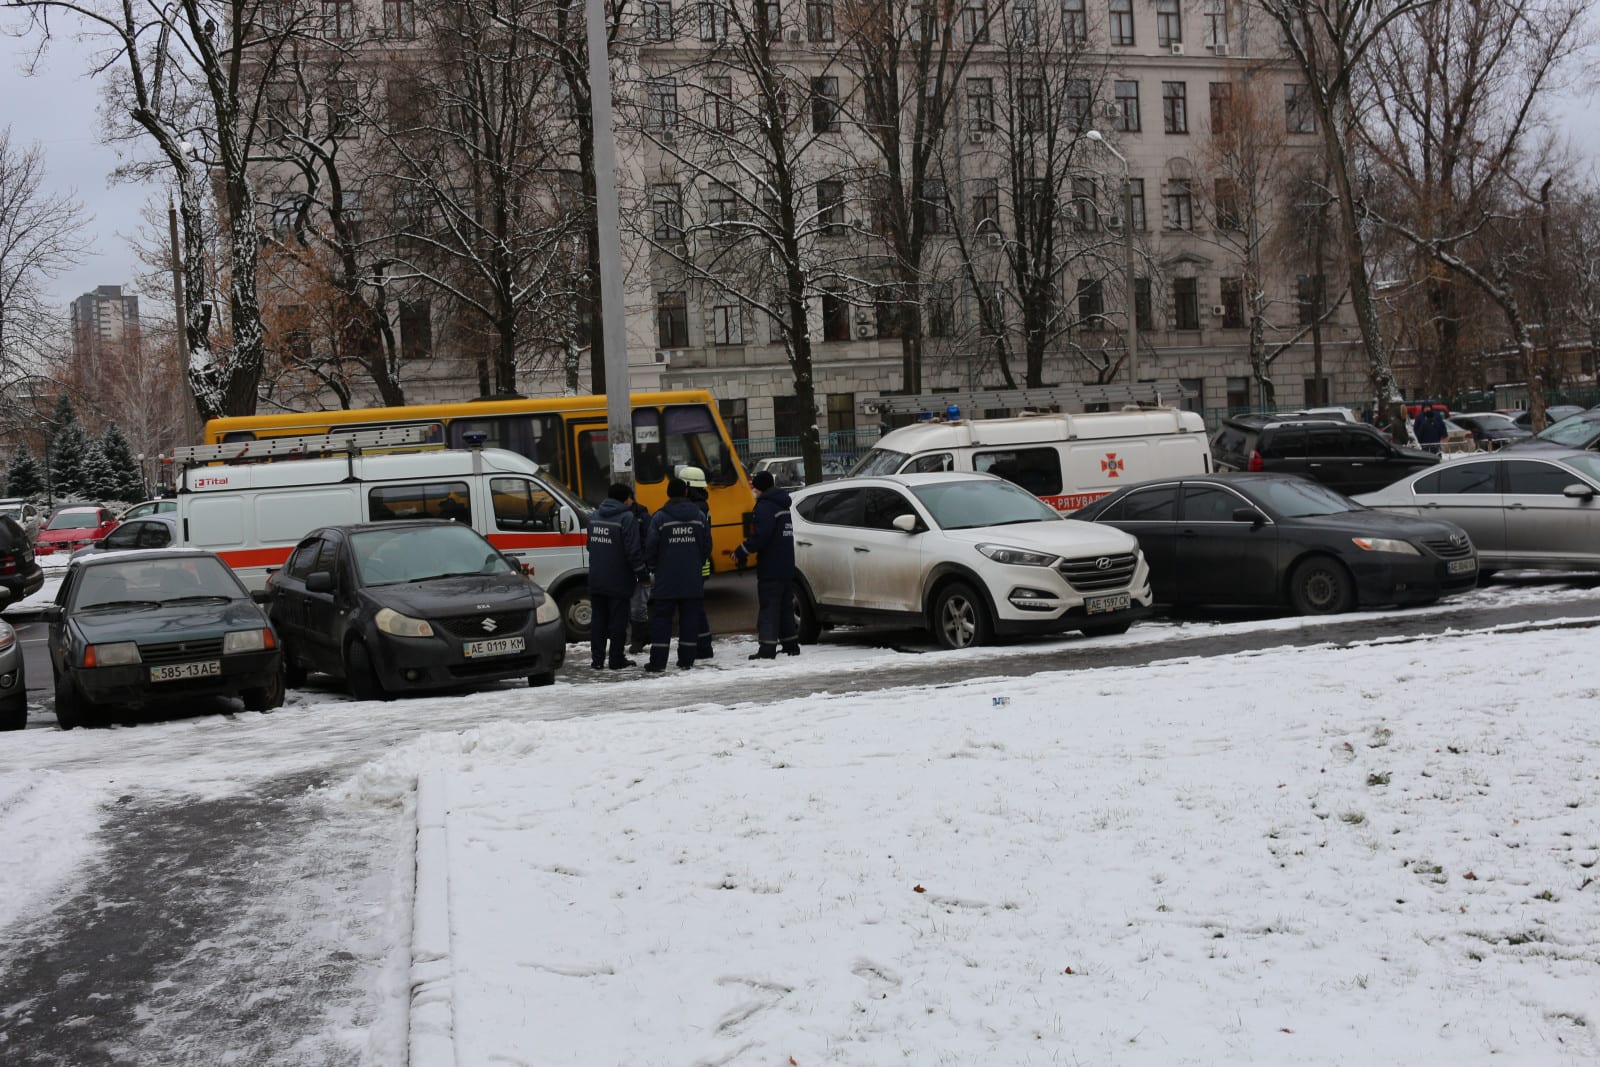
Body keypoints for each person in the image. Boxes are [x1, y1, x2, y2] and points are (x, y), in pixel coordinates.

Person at [644, 476, 711, 672]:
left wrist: (655, 567)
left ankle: (658, 663)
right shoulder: (698, 516)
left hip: (666, 578)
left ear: (668, 494)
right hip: (692, 577)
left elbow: (651, 547)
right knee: (690, 619)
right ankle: (687, 660)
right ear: (685, 493)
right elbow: (707, 545)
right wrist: (695, 562)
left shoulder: (660, 518)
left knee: (662, 620)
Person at [729, 470, 799, 659]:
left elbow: (761, 536)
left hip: (771, 566)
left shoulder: (766, 507)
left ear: (760, 488)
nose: (753, 491)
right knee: (785, 606)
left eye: (754, 488)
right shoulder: (782, 505)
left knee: (769, 607)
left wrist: (741, 550)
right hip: (786, 564)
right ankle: (791, 644)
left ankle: (767, 648)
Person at [585, 483, 649, 670]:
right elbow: (633, 551)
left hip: (596, 578)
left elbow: (590, 546)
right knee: (618, 622)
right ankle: (616, 659)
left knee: (598, 621)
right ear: (625, 498)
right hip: (619, 580)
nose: (632, 501)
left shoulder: (595, 515)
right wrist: (642, 574)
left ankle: (597, 661)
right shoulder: (626, 518)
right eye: (630, 497)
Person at [679, 465, 716, 659]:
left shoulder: (695, 508)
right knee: (697, 606)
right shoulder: (703, 504)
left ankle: (703, 646)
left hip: (695, 565)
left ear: (687, 486)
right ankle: (703, 645)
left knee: (695, 608)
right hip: (701, 564)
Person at [626, 496, 653, 655]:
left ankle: (638, 640)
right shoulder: (624, 516)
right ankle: (643, 636)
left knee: (638, 606)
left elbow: (648, 541)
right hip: (627, 568)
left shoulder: (643, 517)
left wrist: (644, 566)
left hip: (640, 567)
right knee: (632, 606)